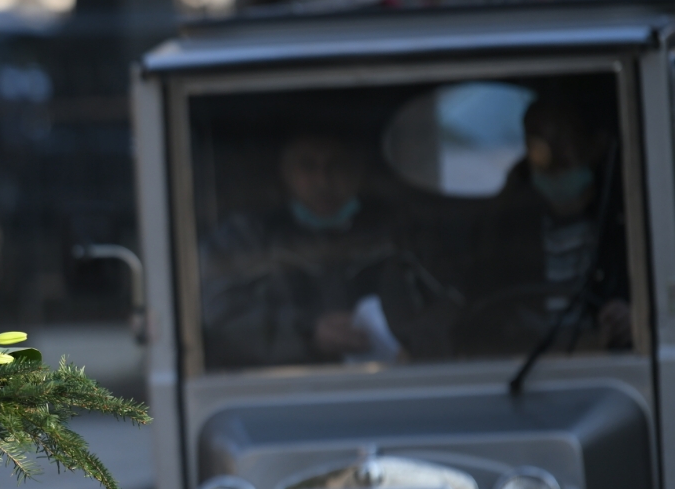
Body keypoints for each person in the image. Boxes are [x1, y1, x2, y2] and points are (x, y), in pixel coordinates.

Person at [199, 131, 442, 368]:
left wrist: (415, 348)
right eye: (307, 166)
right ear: (286, 172)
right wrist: (308, 333)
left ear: (358, 171)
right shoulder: (245, 238)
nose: (323, 180)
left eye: (337, 166)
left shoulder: (401, 233)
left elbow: (447, 306)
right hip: (281, 393)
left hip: (395, 386)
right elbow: (219, 316)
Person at [459, 90, 632, 354]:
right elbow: (483, 319)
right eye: (537, 142)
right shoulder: (505, 231)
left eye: (562, 139)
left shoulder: (633, 227)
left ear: (597, 144)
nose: (550, 157)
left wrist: (634, 319)